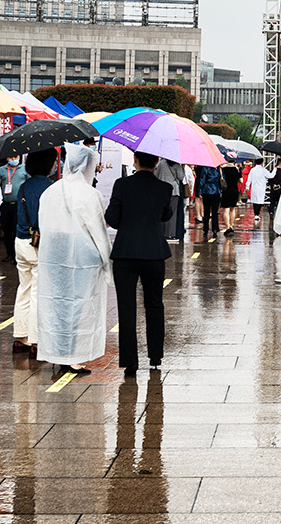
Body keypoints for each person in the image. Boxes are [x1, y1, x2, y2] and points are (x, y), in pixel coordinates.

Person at [37, 143, 111, 376]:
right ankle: (74, 356)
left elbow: (44, 225)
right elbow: (99, 231)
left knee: (57, 303)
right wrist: (107, 263)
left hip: (54, 255)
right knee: (80, 306)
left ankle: (58, 352)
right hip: (84, 259)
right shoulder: (90, 194)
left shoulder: (50, 192)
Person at [105, 150, 173, 373]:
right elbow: (166, 215)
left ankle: (130, 362)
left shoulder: (121, 185)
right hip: (154, 253)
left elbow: (112, 218)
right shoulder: (164, 188)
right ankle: (155, 356)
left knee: (126, 307)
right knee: (154, 304)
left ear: (135, 160)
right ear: (157, 161)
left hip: (125, 252)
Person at [13, 149, 57, 352]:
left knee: (24, 288)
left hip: (21, 241)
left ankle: (20, 337)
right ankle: (36, 340)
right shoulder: (51, 188)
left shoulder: (23, 186)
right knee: (39, 291)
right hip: (40, 243)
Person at [195, 162, 221, 241]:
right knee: (215, 212)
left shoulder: (205, 168)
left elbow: (202, 180)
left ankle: (205, 229)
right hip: (216, 191)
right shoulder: (218, 169)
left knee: (206, 211)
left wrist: (200, 191)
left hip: (207, 191)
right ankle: (215, 229)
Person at [248, 161, 273, 229]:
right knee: (259, 201)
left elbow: (249, 179)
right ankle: (257, 214)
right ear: (262, 162)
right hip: (261, 188)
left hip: (254, 188)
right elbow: (270, 176)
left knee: (255, 201)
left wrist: (247, 186)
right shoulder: (263, 170)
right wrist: (274, 170)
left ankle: (256, 214)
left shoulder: (252, 170)